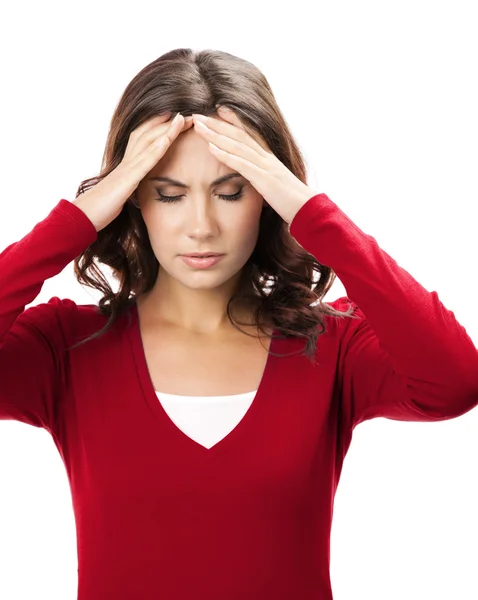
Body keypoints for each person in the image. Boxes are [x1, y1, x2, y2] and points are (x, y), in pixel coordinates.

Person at [1, 47, 477, 600]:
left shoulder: (331, 344)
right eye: (169, 194)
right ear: (132, 201)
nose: (201, 226)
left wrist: (313, 213)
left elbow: (456, 382)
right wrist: (77, 219)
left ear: (269, 198)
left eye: (232, 191)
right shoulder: (66, 347)